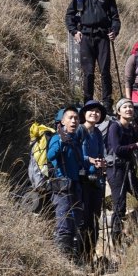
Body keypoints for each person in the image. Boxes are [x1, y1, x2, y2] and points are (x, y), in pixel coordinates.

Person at [65, 0, 121, 113]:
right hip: (86, 37)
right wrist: (74, 31)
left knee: (105, 71)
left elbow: (115, 16)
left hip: (103, 36)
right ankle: (87, 102)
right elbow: (70, 15)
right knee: (88, 72)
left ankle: (107, 104)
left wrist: (114, 30)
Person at [105, 98, 138, 245]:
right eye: (125, 107)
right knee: (119, 206)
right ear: (118, 111)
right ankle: (116, 239)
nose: (128, 109)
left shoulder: (130, 128)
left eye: (130, 107)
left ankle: (135, 225)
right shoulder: (115, 127)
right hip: (115, 170)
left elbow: (137, 147)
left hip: (128, 169)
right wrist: (137, 144)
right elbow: (117, 149)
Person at [46, 106, 86, 260]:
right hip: (62, 186)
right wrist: (61, 142)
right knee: (64, 223)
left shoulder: (75, 139)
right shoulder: (57, 138)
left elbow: (80, 162)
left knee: (75, 221)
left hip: (75, 186)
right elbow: (50, 155)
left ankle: (72, 259)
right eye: (70, 118)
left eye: (76, 118)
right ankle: (62, 261)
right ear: (62, 121)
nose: (74, 121)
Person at [76, 100, 107, 264]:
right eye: (91, 111)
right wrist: (91, 160)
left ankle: (90, 256)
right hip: (82, 180)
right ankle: (81, 256)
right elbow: (76, 153)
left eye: (97, 111)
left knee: (94, 220)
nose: (94, 113)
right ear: (84, 113)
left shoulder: (98, 133)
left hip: (96, 181)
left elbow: (101, 153)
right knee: (84, 220)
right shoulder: (80, 130)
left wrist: (101, 162)